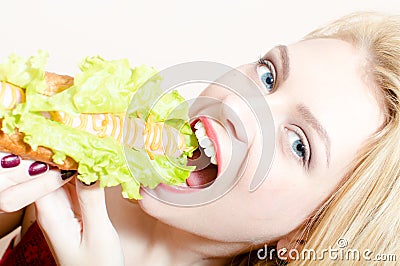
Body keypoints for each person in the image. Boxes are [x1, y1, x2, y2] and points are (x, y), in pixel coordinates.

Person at [0, 11, 399, 265]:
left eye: (299, 145)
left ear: (305, 234)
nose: (241, 107)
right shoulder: (84, 178)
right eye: (268, 76)